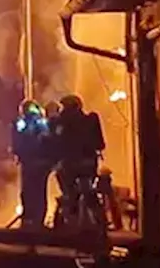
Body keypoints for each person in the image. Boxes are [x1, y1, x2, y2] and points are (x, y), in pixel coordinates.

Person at [51, 94, 106, 230]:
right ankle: (99, 222)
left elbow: (53, 143)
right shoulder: (91, 120)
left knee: (69, 194)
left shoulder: (59, 122)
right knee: (89, 193)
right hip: (88, 164)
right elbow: (100, 144)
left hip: (68, 166)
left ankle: (70, 222)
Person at [10, 100, 53, 229]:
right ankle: (39, 220)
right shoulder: (43, 122)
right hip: (42, 163)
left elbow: (16, 140)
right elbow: (49, 140)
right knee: (40, 191)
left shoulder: (21, 123)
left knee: (28, 191)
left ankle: (29, 219)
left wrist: (17, 154)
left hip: (28, 162)